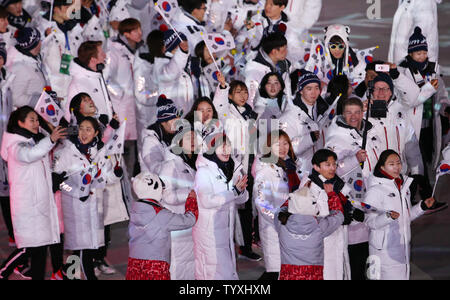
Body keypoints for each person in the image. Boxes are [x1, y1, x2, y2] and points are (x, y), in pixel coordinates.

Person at [0, 106, 66, 280]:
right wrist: (51, 138)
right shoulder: (16, 146)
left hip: (42, 204)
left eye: (37, 119)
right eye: (32, 120)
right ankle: (3, 271)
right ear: (20, 122)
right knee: (31, 248)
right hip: (29, 206)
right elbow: (29, 155)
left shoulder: (34, 140)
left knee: (40, 249)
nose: (36, 123)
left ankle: (43, 274)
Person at [53, 116, 123, 280]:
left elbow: (106, 177)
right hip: (76, 209)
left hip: (94, 207)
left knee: (83, 248)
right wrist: (76, 192)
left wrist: (116, 174)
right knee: (84, 248)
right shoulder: (67, 152)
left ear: (96, 133)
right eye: (82, 128)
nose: (84, 133)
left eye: (88, 129)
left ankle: (67, 274)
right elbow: (59, 184)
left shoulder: (99, 152)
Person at [325, 97, 382, 280]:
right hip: (351, 204)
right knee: (355, 260)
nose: (353, 116)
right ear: (343, 113)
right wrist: (353, 160)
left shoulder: (371, 133)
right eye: (349, 112)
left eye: (357, 112)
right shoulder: (336, 139)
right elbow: (329, 171)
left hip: (372, 201)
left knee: (372, 258)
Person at [364, 149, 439, 280]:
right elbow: (369, 222)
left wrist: (422, 206)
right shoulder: (375, 190)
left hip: (402, 249)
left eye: (398, 163)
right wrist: (387, 217)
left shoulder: (402, 187)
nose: (396, 167)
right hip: (383, 252)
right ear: (382, 167)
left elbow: (406, 217)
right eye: (391, 164)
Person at [192, 134, 249, 280]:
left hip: (226, 231)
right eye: (220, 146)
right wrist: (234, 191)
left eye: (228, 145)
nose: (226, 150)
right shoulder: (203, 172)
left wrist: (241, 191)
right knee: (211, 273)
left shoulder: (232, 168)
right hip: (208, 233)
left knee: (227, 271)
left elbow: (242, 199)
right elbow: (207, 201)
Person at [126, 172, 198, 280]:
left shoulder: (134, 211)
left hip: (133, 264)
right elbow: (189, 220)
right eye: (162, 187)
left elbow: (128, 234)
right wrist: (192, 200)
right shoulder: (161, 214)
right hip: (155, 265)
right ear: (156, 189)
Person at [397, 27, 449, 172]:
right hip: (411, 125)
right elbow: (409, 100)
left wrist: (444, 107)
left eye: (424, 53)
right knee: (413, 165)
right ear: (410, 53)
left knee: (427, 158)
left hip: (430, 123)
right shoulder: (403, 72)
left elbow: (441, 95)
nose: (422, 56)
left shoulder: (433, 70)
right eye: (418, 53)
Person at [253, 130, 303, 280]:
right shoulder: (265, 170)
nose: (282, 147)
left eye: (285, 143)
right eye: (277, 144)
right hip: (274, 228)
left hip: (291, 227)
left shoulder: (291, 166)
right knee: (275, 271)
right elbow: (262, 203)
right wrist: (279, 217)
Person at [275, 178, 344, 280]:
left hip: (288, 274)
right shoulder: (320, 226)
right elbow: (339, 216)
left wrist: (300, 194)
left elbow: (281, 209)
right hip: (313, 274)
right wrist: (331, 195)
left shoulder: (282, 223)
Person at [159, 128, 199, 280]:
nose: (194, 141)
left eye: (195, 138)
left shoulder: (193, 163)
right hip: (176, 224)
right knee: (178, 263)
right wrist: (189, 194)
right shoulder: (170, 164)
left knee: (190, 262)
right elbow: (166, 195)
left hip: (191, 221)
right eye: (189, 138)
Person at [306, 149, 351, 280]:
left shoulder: (339, 184)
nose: (332, 168)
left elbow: (349, 204)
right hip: (323, 244)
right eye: (327, 164)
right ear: (316, 167)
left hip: (340, 238)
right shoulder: (309, 187)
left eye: (334, 164)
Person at [280, 70, 335, 173]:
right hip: (300, 173)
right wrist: (309, 139)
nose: (313, 92)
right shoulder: (289, 116)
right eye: (309, 88)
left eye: (316, 88)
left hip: (321, 172)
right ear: (301, 90)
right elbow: (284, 148)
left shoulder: (324, 112)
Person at [66, 40, 113, 123]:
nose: (105, 55)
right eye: (102, 54)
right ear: (93, 60)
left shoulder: (98, 75)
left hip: (108, 129)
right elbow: (70, 116)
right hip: (93, 133)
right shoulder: (77, 85)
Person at [244, 31, 292, 106]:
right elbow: (249, 100)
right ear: (274, 51)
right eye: (284, 50)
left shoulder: (283, 64)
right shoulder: (254, 71)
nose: (287, 52)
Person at [153, 29, 194, 117]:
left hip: (187, 119)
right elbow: (170, 73)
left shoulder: (185, 66)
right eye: (182, 43)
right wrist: (182, 53)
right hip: (171, 121)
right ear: (175, 46)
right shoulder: (161, 64)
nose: (186, 46)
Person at [8, 27, 50, 109]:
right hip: (30, 114)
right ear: (34, 44)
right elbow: (16, 98)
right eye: (39, 40)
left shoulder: (34, 58)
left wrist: (49, 99)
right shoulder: (20, 67)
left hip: (39, 111)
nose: (41, 42)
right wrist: (40, 101)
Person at [140, 95, 181, 174]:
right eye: (173, 120)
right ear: (163, 122)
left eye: (177, 119)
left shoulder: (177, 133)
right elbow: (156, 169)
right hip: (154, 184)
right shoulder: (150, 142)